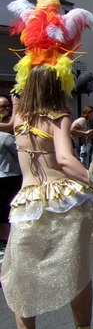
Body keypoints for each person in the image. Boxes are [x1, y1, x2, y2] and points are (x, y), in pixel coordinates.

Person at [0, 0, 93, 329]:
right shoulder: (58, 114)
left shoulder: (18, 117)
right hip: (64, 201)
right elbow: (67, 161)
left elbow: (17, 107)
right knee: (77, 272)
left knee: (21, 277)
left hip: (26, 203)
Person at [0, 95, 21, 250]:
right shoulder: (6, 134)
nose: (7, 109)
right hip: (7, 174)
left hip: (11, 173)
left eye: (8, 106)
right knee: (6, 208)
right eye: (3, 107)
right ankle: (5, 238)